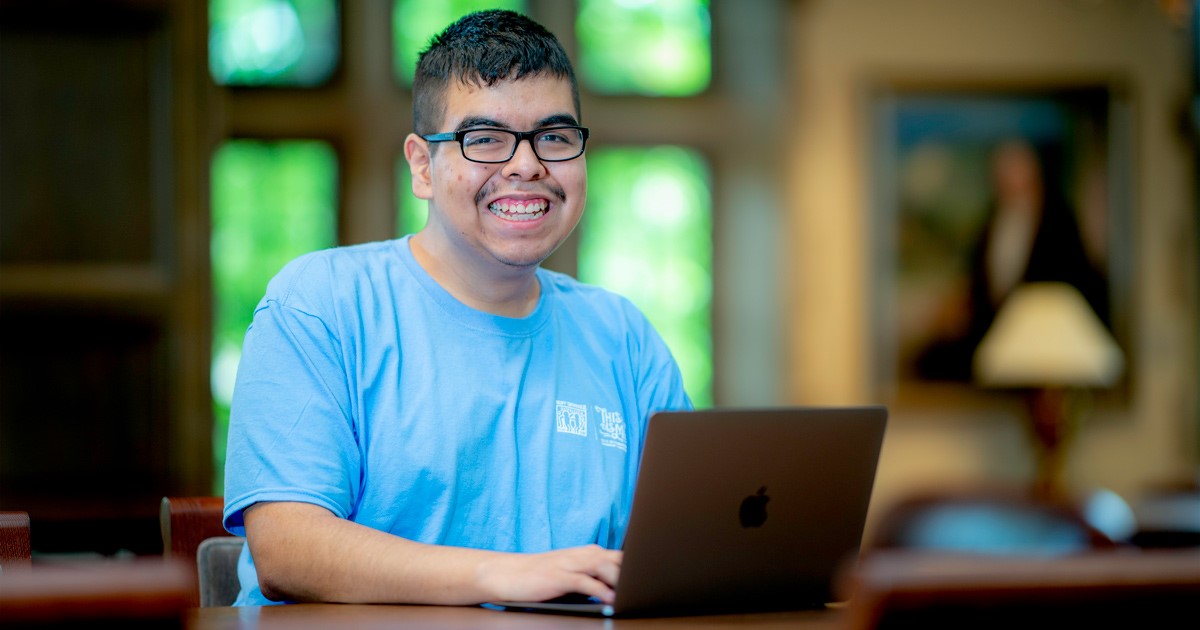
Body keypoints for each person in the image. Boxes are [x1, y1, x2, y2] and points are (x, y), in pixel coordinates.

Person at [221, 10, 692, 607]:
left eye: (554, 137)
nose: (527, 166)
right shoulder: (322, 304)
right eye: (486, 140)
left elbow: (685, 548)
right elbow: (288, 550)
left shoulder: (623, 336)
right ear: (422, 165)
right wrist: (504, 576)